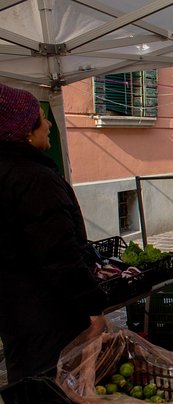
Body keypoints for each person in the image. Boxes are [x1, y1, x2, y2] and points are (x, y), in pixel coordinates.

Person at [0, 83, 106, 383]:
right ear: (24, 130)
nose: (48, 124)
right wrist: (92, 306)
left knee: (29, 385)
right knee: (56, 389)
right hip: (48, 312)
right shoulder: (33, 180)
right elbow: (59, 254)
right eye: (40, 119)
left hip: (16, 311)